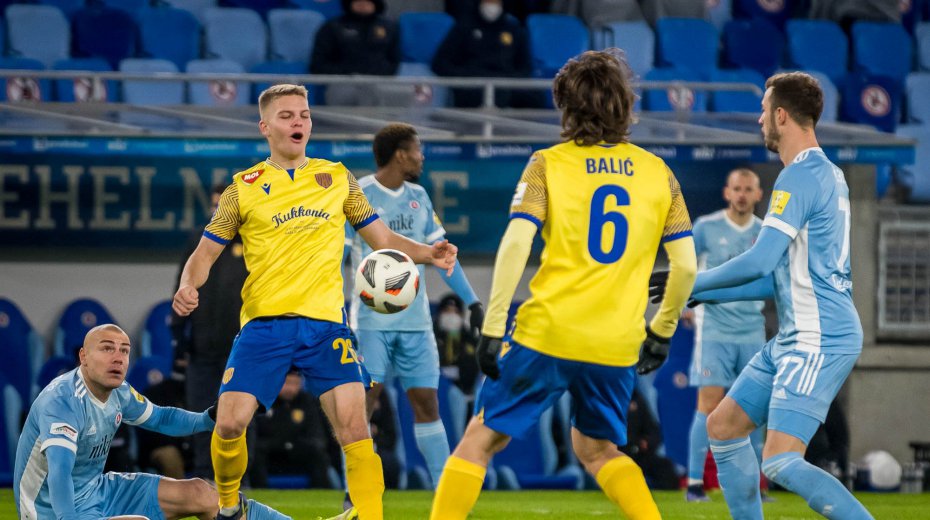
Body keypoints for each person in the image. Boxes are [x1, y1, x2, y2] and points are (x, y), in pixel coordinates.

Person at [429, 48, 698, 520]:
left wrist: (493, 326)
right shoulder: (660, 174)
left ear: (566, 107)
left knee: (479, 439)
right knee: (598, 450)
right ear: (625, 105)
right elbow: (687, 267)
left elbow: (516, 243)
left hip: (549, 333)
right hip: (616, 343)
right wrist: (661, 332)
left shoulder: (546, 164)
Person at [172, 83, 458, 520]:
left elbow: (382, 238)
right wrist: (188, 285)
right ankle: (228, 505)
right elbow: (205, 253)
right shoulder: (242, 188)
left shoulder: (338, 178)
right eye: (287, 115)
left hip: (326, 326)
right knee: (229, 423)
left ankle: (370, 515)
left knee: (356, 428)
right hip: (264, 325)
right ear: (265, 127)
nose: (299, 122)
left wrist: (427, 253)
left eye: (304, 115)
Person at [652, 72, 873, 519]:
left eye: (763, 111)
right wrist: (706, 293)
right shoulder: (826, 174)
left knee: (779, 459)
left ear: (781, 115)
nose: (759, 120)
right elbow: (778, 279)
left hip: (818, 337)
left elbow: (758, 262)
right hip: (798, 333)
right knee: (723, 426)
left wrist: (689, 282)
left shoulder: (799, 178)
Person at [13, 324, 289, 520]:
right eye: (107, 349)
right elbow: (60, 473)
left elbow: (161, 417)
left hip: (98, 490)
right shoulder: (62, 400)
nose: (117, 358)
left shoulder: (119, 392)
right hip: (51, 510)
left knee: (201, 493)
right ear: (83, 357)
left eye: (124, 351)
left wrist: (209, 420)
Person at [344, 123, 484, 496]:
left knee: (427, 402)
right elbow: (336, 256)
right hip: (370, 321)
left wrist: (472, 301)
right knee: (363, 405)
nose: (422, 157)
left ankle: (444, 496)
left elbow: (443, 256)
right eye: (418, 150)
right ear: (401, 154)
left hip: (416, 322)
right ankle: (355, 492)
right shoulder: (359, 193)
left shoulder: (419, 196)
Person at [683, 168, 767, 502]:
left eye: (748, 189)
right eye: (737, 189)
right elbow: (685, 266)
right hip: (714, 329)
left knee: (755, 409)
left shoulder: (766, 232)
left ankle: (755, 486)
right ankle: (694, 483)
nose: (742, 195)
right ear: (727, 193)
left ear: (758, 195)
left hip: (752, 329)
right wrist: (684, 304)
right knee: (708, 404)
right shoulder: (706, 227)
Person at [172, 182, 250, 480]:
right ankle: (204, 477)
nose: (217, 211)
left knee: (242, 416)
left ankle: (242, 478)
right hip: (202, 349)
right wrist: (180, 340)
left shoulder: (254, 240)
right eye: (214, 205)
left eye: (223, 205)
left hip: (242, 349)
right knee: (201, 414)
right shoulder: (198, 240)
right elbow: (180, 290)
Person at [431, 0, 540, 108]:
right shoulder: (463, 27)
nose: (491, 6)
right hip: (473, 84)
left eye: (495, 2)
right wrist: (468, 76)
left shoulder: (514, 30)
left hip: (506, 82)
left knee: (535, 97)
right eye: (488, 1)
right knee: (487, 95)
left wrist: (506, 79)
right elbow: (440, 64)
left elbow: (525, 67)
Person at [251, 370, 337, 489]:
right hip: (270, 451)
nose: (290, 389)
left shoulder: (307, 401)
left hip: (298, 450)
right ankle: (259, 491)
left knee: (318, 454)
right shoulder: (264, 400)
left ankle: (320, 491)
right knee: (255, 452)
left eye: (295, 384)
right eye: (287, 383)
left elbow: (316, 433)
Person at [310, 0, 401, 106]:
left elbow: (394, 60)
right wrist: (349, 73)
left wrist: (376, 73)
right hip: (342, 82)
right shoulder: (332, 27)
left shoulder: (390, 28)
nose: (363, 3)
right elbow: (318, 64)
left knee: (397, 94)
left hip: (379, 81)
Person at [434, 293, 481, 395]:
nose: (451, 315)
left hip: (465, 389)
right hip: (435, 388)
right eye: (447, 311)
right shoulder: (429, 336)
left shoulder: (470, 338)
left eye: (455, 312)